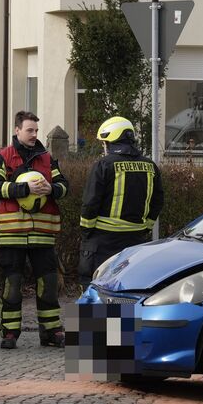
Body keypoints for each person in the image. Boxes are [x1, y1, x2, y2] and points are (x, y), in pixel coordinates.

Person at [0, 111, 70, 349]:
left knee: (49, 285)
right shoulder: (2, 156)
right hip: (11, 234)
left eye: (36, 130)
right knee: (12, 286)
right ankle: (10, 333)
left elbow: (64, 186)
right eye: (29, 130)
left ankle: (51, 332)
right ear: (17, 130)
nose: (34, 135)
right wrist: (23, 189)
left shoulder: (47, 158)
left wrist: (51, 189)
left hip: (43, 235)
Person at [78, 116, 164, 288]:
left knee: (95, 288)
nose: (104, 147)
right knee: (129, 288)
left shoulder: (103, 165)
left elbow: (90, 203)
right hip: (136, 240)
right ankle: (124, 309)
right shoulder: (150, 166)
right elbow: (158, 200)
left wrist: (86, 232)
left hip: (102, 241)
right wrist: (145, 227)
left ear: (110, 140)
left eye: (104, 143)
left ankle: (96, 308)